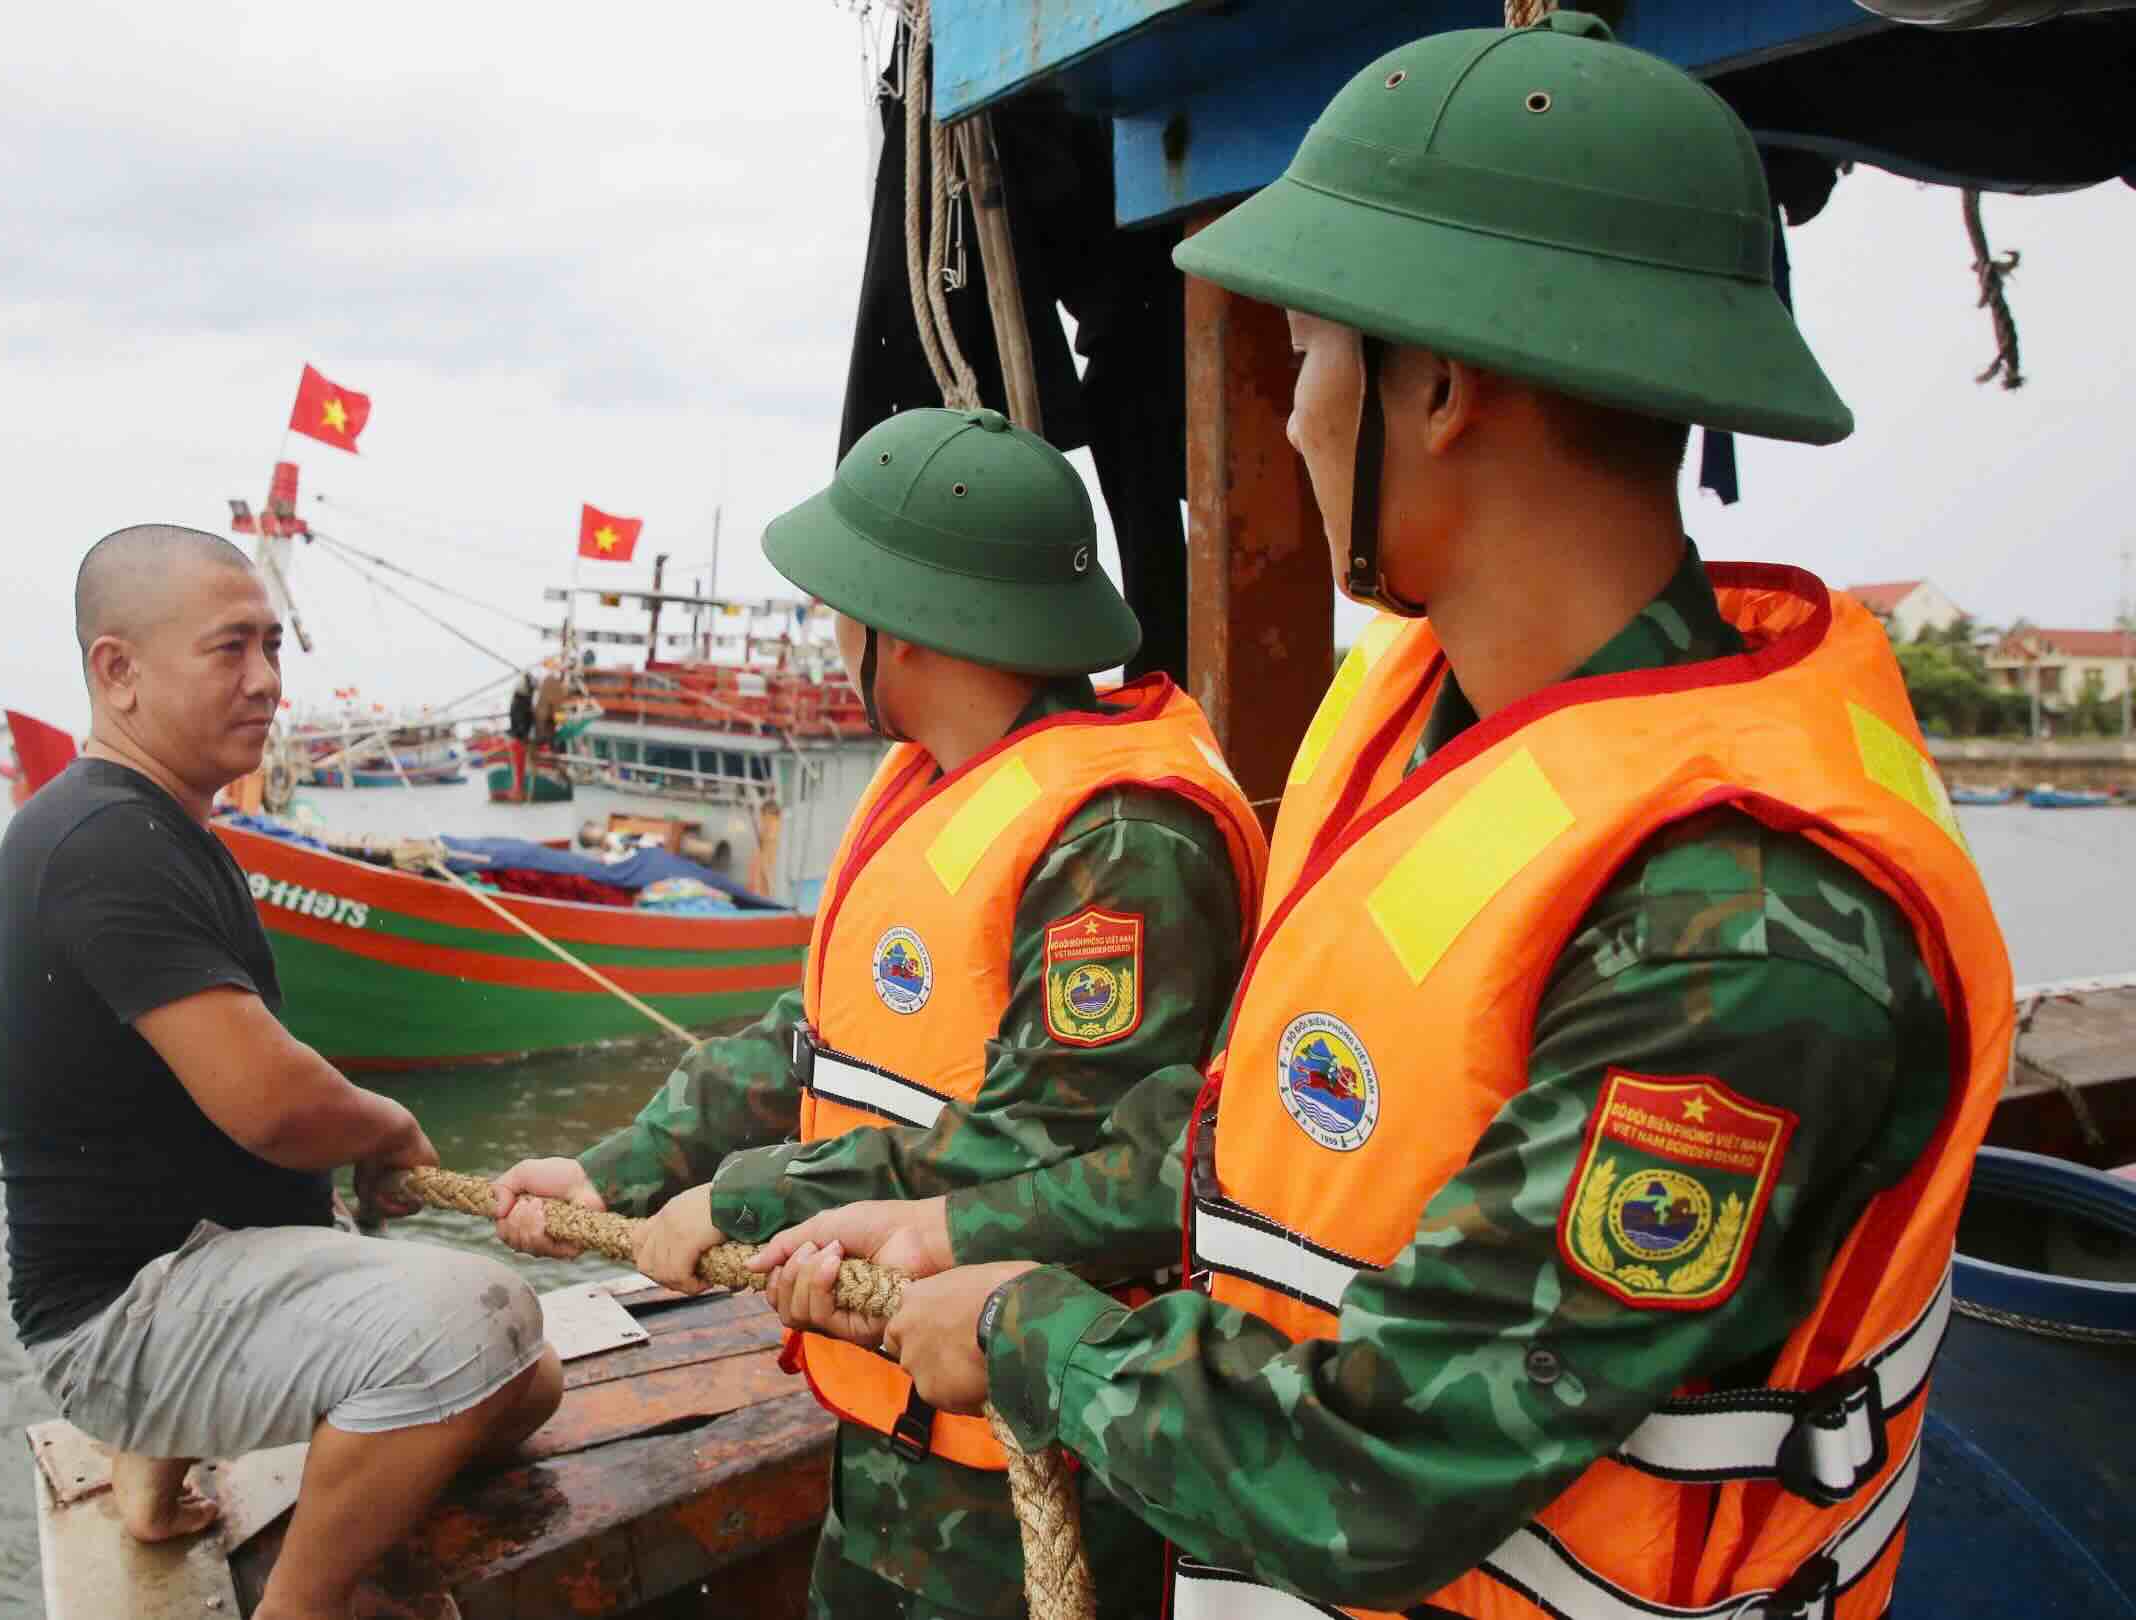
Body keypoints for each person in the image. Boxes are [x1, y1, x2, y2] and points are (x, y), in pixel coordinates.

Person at [758, 18, 2013, 1620]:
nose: (1289, 418)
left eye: (1310, 359)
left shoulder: (1746, 917)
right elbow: (1259, 1138)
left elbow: (1388, 1466)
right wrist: (955, 1225)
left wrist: (1025, 1336)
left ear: (1443, 392)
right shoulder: (1432, 717)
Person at [490, 407, 1268, 1620]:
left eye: (836, 601)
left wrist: (750, 1200)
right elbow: (817, 1042)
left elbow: (1062, 1145)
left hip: (1027, 1453)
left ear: (902, 630)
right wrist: (621, 1170)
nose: (827, 625)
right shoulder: (936, 786)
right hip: (887, 1417)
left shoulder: (1119, 845)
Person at [0, 524, 561, 1620]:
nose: (268, 683)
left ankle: (154, 1466)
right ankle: (303, 1607)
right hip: (125, 1316)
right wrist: (389, 1128)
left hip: (196, 1264)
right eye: (230, 650)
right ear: (118, 671)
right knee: (480, 1314)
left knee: (524, 1384)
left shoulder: (155, 827)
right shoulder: (105, 841)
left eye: (275, 649)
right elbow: (273, 1105)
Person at [507, 674, 535, 742]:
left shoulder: (524, 691)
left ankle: (520, 733)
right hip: (522, 703)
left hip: (522, 703)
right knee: (522, 719)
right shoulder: (521, 696)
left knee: (523, 719)